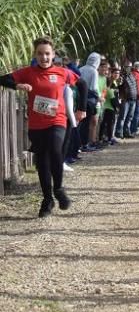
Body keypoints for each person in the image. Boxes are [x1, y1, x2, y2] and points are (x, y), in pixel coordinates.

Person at [0, 36, 78, 216]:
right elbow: (2, 79)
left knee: (56, 150)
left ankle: (58, 189)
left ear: (53, 54)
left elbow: (81, 84)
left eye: (47, 54)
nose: (44, 57)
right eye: (40, 54)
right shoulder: (28, 72)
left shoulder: (62, 72)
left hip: (57, 120)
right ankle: (47, 200)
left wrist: (81, 109)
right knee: (41, 161)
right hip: (36, 124)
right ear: (35, 55)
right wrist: (18, 85)